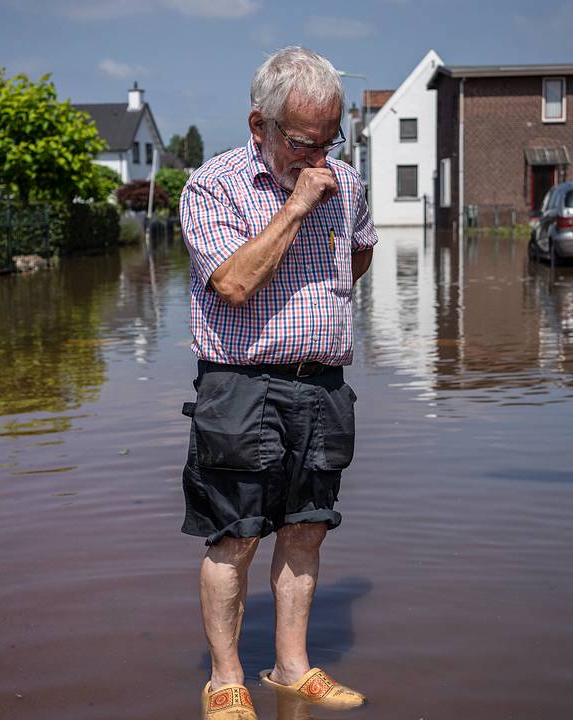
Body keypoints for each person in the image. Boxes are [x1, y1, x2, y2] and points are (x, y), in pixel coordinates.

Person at [178, 46, 377, 720]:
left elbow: (361, 253)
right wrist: (293, 209)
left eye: (330, 140)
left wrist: (319, 310)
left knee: (306, 529)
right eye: (302, 142)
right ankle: (226, 678)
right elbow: (233, 284)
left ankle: (291, 668)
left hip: (322, 385)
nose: (318, 158)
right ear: (258, 125)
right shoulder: (212, 186)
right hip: (240, 383)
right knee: (234, 536)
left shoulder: (345, 183)